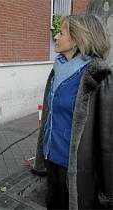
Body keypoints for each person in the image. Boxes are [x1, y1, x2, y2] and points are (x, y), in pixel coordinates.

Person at [31, 14, 112, 209]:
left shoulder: (97, 77)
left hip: (77, 168)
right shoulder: (58, 69)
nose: (55, 37)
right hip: (52, 159)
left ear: (77, 40)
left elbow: (107, 140)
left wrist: (108, 189)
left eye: (61, 32)